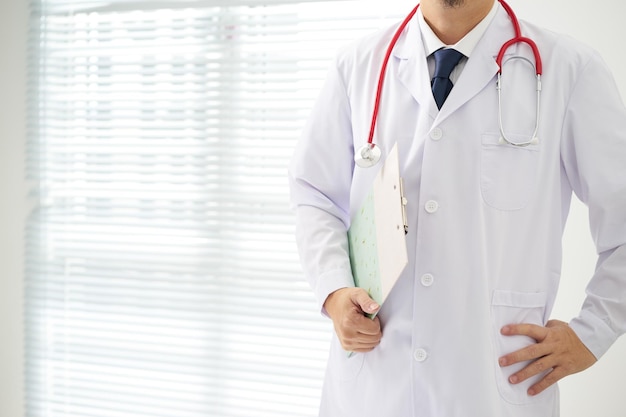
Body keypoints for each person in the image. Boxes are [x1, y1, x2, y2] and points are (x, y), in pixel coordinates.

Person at [288, 0, 626, 415]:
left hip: (490, 385)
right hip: (374, 387)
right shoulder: (357, 67)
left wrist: (593, 335)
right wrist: (335, 290)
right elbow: (314, 194)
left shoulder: (570, 70)